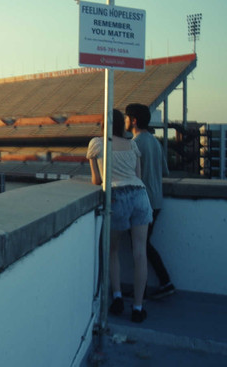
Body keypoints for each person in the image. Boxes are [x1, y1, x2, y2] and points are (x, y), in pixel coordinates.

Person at [87, 109, 153, 323]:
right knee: (140, 253)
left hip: (117, 196)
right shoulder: (132, 145)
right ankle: (138, 307)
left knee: (112, 249)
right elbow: (138, 176)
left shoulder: (97, 144)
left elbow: (97, 180)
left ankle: (117, 297)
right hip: (140, 195)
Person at [124, 103, 175, 299]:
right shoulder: (155, 142)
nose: (125, 120)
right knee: (143, 245)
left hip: (142, 202)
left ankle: (161, 283)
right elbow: (165, 171)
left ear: (134, 120)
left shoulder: (134, 144)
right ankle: (152, 285)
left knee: (141, 246)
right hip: (156, 201)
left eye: (127, 117)